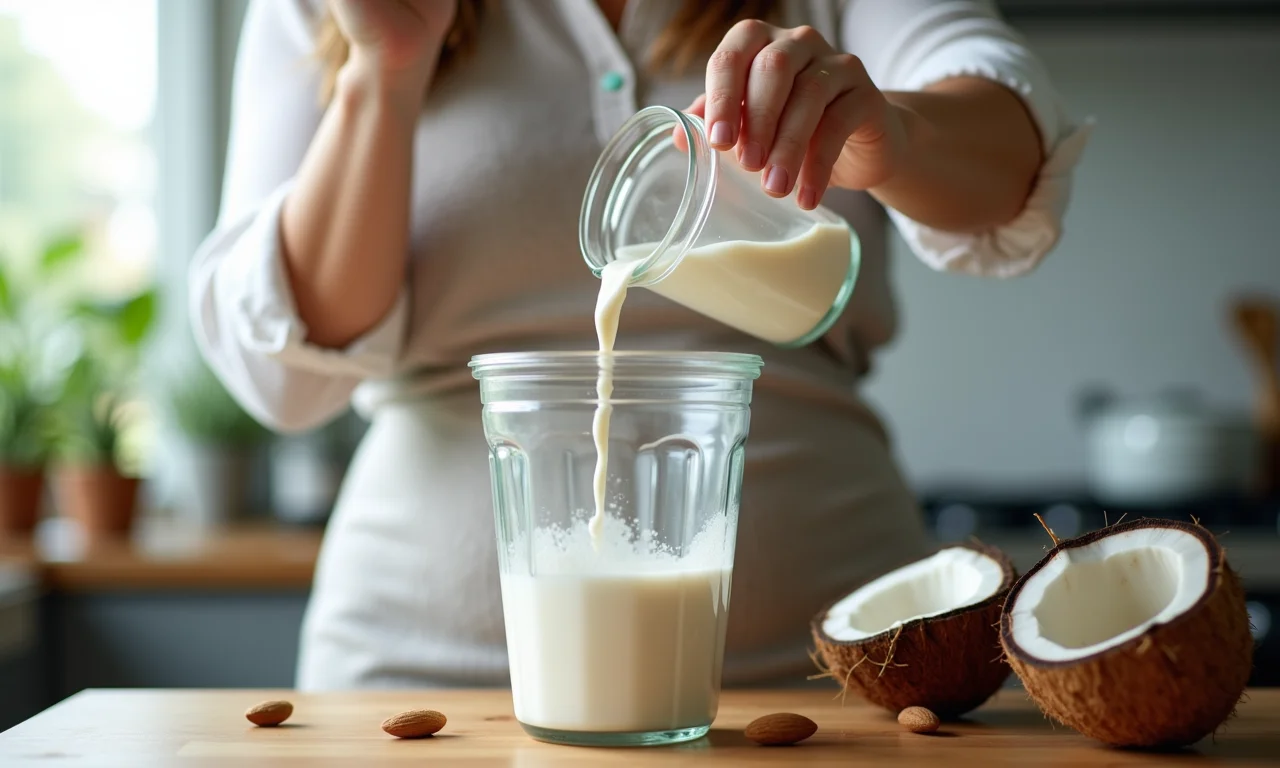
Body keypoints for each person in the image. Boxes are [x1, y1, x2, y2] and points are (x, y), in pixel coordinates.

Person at [191, 0, 1090, 690]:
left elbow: (1010, 150)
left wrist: (893, 131)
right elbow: (285, 381)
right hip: (423, 681)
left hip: (834, 678)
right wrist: (382, 71)